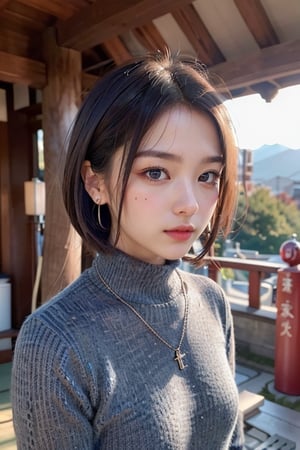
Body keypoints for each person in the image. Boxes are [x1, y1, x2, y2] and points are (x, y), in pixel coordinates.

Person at [12, 51, 245, 449]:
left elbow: (234, 441)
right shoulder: (54, 341)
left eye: (208, 175)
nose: (190, 202)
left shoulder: (212, 301)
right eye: (155, 172)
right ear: (95, 183)